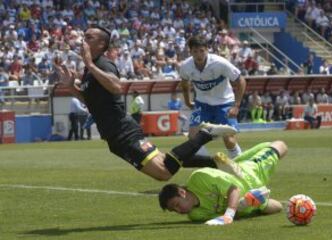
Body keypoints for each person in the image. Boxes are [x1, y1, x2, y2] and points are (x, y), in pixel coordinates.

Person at [55, 26, 238, 181]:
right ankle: (216, 163)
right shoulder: (90, 70)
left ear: (101, 44)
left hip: (122, 131)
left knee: (164, 173)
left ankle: (205, 134)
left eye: (89, 37)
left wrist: (90, 65)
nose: (83, 41)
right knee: (164, 161)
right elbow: (91, 102)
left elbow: (117, 87)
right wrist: (71, 87)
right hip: (114, 135)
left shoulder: (103, 65)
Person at [159, 140, 287, 225]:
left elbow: (234, 189)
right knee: (278, 208)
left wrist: (229, 214)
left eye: (176, 204)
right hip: (250, 199)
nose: (178, 210)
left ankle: (230, 165)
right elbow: (222, 216)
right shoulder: (196, 215)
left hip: (248, 175)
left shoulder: (199, 178)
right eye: (174, 210)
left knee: (279, 146)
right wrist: (242, 206)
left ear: (182, 192)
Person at [180, 36, 246, 159]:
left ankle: (239, 164)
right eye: (195, 51)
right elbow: (184, 84)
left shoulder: (220, 63)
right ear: (190, 52)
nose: (199, 55)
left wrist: (236, 105)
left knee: (229, 139)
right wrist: (188, 101)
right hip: (202, 104)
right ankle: (208, 164)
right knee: (192, 136)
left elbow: (241, 81)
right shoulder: (185, 66)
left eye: (202, 51)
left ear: (207, 50)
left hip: (224, 103)